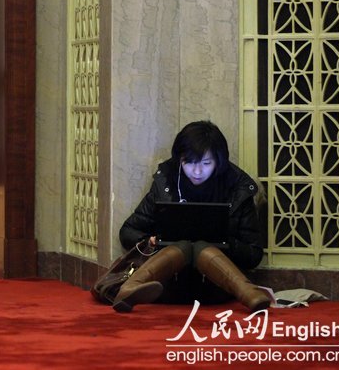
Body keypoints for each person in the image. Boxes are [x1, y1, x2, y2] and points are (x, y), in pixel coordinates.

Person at [114, 120, 270, 313]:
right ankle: (249, 293)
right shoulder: (167, 182)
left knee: (200, 246)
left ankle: (248, 293)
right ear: (180, 159)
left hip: (216, 287)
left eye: (206, 163)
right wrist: (150, 241)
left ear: (218, 162)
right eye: (189, 163)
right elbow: (127, 231)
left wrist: (223, 242)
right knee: (185, 246)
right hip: (167, 284)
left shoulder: (237, 188)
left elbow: (253, 253)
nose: (197, 171)